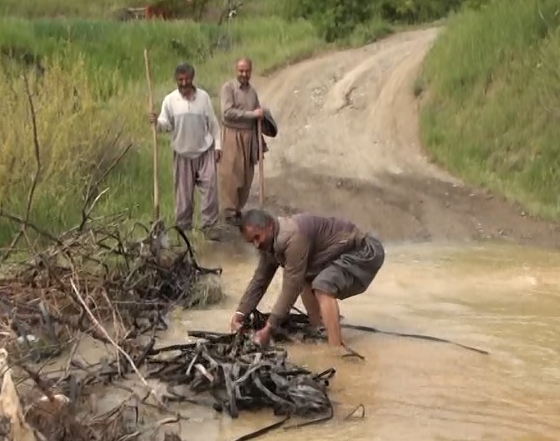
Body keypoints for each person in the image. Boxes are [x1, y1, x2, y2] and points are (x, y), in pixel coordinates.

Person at [229, 209, 385, 351]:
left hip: (364, 250)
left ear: (269, 226)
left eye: (257, 237)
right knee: (306, 279)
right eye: (252, 242)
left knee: (322, 286)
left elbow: (291, 287)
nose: (256, 245)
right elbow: (260, 280)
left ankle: (336, 349)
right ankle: (319, 329)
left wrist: (269, 328)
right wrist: (240, 313)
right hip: (341, 253)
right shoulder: (269, 243)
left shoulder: (292, 236)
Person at [149, 62, 223, 239]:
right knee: (183, 196)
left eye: (187, 79)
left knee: (210, 192)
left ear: (192, 79)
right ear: (176, 80)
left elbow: (213, 124)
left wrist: (218, 145)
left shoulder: (203, 98)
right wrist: (156, 123)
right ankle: (183, 230)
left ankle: (209, 228)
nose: (183, 83)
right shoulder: (170, 100)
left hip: (205, 151)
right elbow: (164, 124)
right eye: (180, 80)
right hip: (182, 154)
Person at [218, 58, 275, 227]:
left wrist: (262, 115)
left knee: (246, 175)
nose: (244, 74)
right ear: (236, 70)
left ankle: (238, 211)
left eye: (247, 71)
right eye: (241, 71)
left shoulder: (252, 92)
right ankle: (228, 213)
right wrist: (252, 115)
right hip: (233, 134)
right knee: (231, 174)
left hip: (249, 136)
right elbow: (227, 112)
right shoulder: (228, 88)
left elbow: (258, 112)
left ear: (250, 71)